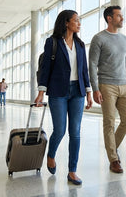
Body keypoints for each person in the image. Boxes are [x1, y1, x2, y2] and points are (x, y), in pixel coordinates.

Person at [34, 10, 92, 185]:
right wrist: (41, 92)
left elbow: (84, 71)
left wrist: (89, 92)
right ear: (66, 23)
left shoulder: (80, 45)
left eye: (79, 21)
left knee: (75, 132)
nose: (79, 23)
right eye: (76, 21)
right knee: (60, 130)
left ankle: (72, 171)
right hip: (58, 91)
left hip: (78, 92)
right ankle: (51, 155)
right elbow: (45, 69)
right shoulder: (52, 42)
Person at [89, 5, 126, 173]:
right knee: (109, 123)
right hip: (106, 85)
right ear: (109, 18)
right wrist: (95, 88)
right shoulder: (98, 38)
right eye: (119, 16)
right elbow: (92, 65)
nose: (122, 18)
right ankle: (113, 159)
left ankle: (110, 148)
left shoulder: (125, 39)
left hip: (124, 85)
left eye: (122, 16)